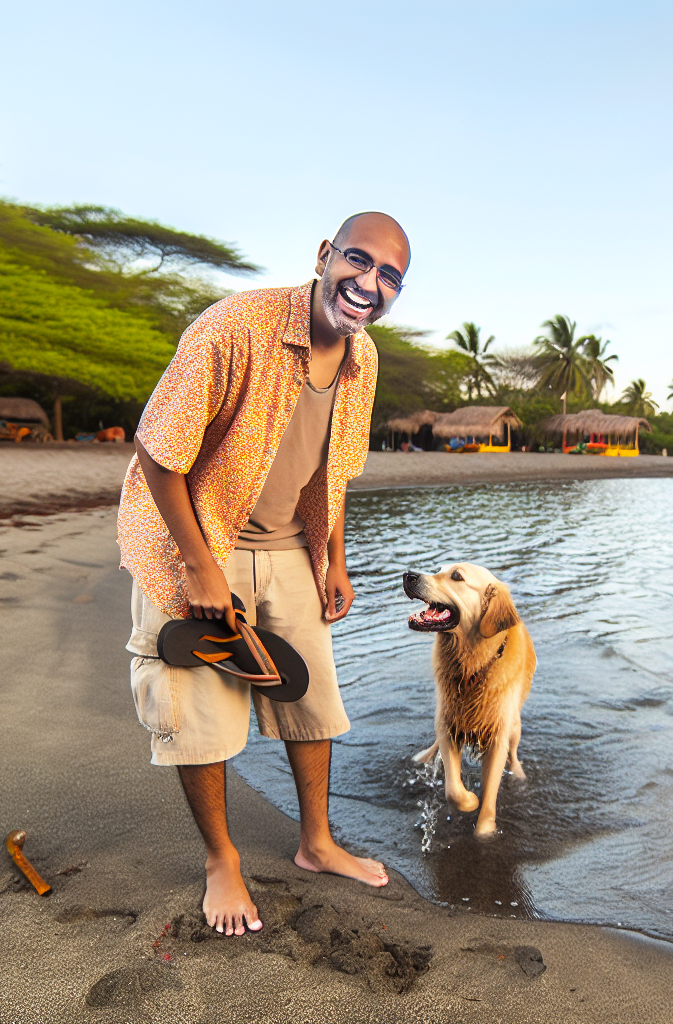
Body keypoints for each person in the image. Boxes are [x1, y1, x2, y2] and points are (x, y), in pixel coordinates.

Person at [116, 212, 410, 936]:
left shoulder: (362, 358)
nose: (368, 284)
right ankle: (221, 860)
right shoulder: (232, 328)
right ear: (324, 255)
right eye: (358, 261)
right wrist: (199, 565)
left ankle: (317, 842)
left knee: (313, 703)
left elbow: (336, 469)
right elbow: (158, 449)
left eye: (389, 277)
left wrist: (335, 557)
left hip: (289, 549)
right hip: (194, 537)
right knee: (196, 712)